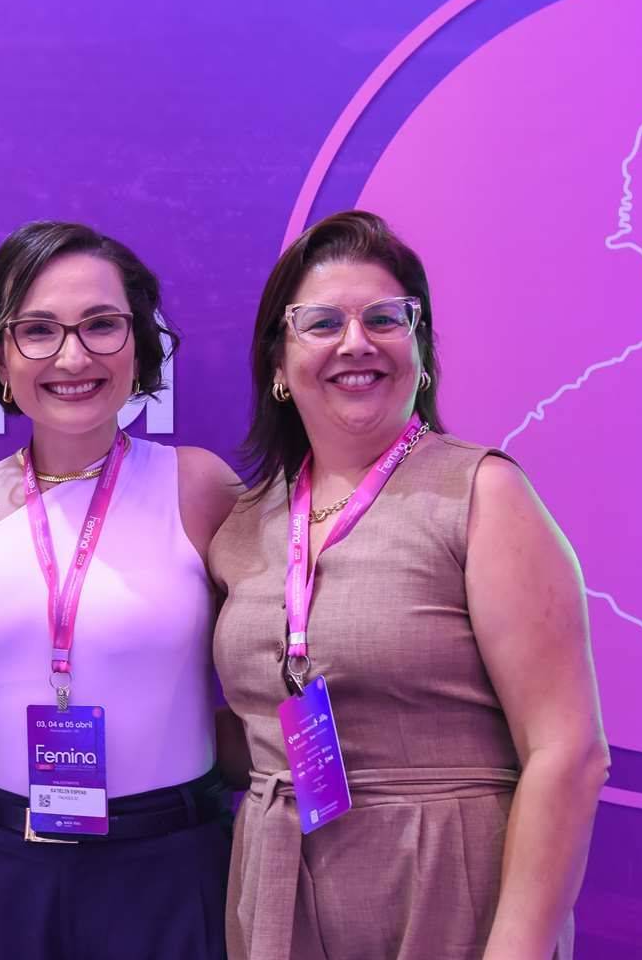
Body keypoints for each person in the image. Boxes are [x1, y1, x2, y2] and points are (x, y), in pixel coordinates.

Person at [211, 211, 610, 960]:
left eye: (385, 319)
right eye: (321, 322)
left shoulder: (482, 493)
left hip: (448, 891)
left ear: (419, 350)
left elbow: (569, 752)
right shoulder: (241, 526)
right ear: (277, 365)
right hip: (277, 891)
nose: (356, 342)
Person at [0, 221, 240, 960]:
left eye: (101, 324)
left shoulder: (200, 488)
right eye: (37, 330)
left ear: (140, 344)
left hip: (167, 865)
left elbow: (259, 672)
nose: (73, 357)